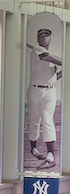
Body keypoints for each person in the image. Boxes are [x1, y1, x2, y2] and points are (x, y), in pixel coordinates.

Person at [27, 26, 62, 164]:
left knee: (47, 120)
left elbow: (55, 76)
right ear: (37, 39)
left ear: (50, 38)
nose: (44, 37)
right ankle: (34, 149)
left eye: (46, 35)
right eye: (41, 35)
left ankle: (50, 155)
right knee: (34, 120)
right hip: (34, 90)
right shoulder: (38, 50)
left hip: (50, 90)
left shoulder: (49, 57)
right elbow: (58, 61)